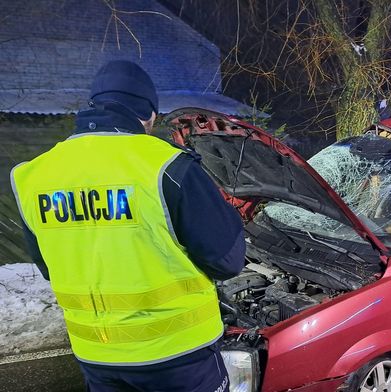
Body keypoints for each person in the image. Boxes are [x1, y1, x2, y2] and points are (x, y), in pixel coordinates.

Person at [10, 60, 245, 392]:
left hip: (97, 357)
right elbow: (228, 260)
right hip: (178, 357)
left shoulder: (32, 175)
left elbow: (50, 267)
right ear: (148, 114)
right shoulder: (166, 165)